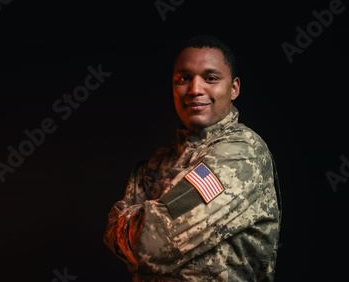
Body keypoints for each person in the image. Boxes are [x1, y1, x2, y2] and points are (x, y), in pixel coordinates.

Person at [103, 34, 282, 281]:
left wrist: (132, 222)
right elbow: (113, 231)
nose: (195, 90)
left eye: (210, 78)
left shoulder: (242, 153)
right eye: (184, 79)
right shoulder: (160, 158)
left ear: (233, 89)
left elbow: (153, 243)